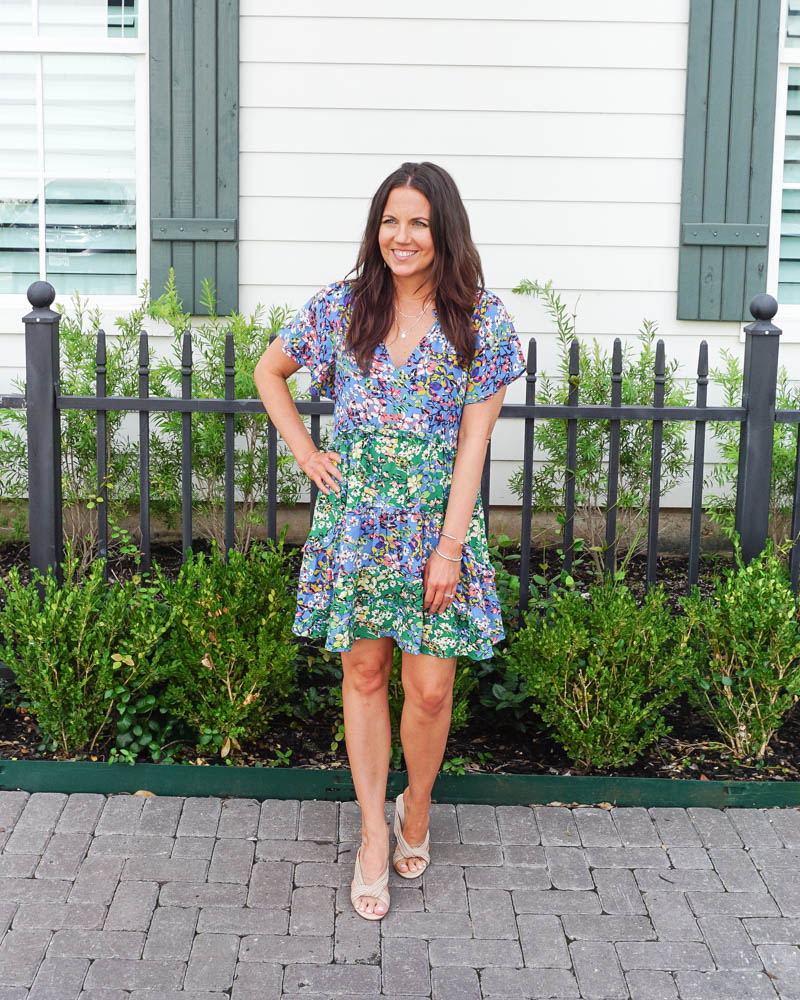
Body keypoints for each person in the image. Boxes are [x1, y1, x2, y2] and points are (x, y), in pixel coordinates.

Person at [254, 161, 525, 921]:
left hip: (437, 527)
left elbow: (474, 447)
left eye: (417, 224)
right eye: (389, 221)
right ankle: (373, 829)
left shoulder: (484, 322)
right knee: (365, 675)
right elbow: (269, 370)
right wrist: (308, 453)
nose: (401, 237)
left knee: (431, 688)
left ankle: (419, 805)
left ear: (444, 233)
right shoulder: (344, 307)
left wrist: (448, 548)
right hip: (359, 523)